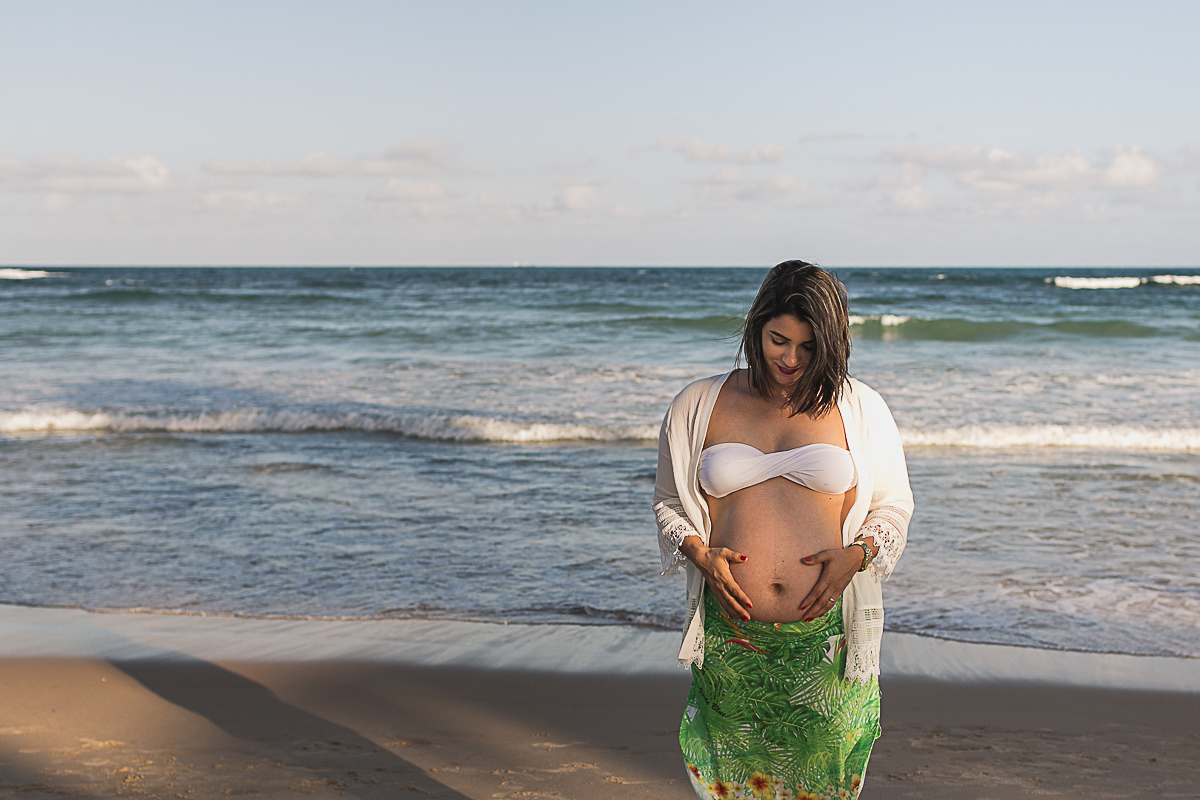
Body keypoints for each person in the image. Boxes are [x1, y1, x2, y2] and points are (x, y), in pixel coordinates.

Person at [653, 261, 913, 800]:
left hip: (827, 646)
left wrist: (858, 555)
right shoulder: (698, 404)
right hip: (733, 641)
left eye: (808, 347)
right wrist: (699, 552)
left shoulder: (860, 407)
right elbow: (668, 504)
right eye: (778, 340)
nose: (791, 359)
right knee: (732, 785)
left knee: (826, 784)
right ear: (756, 327)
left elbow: (892, 506)